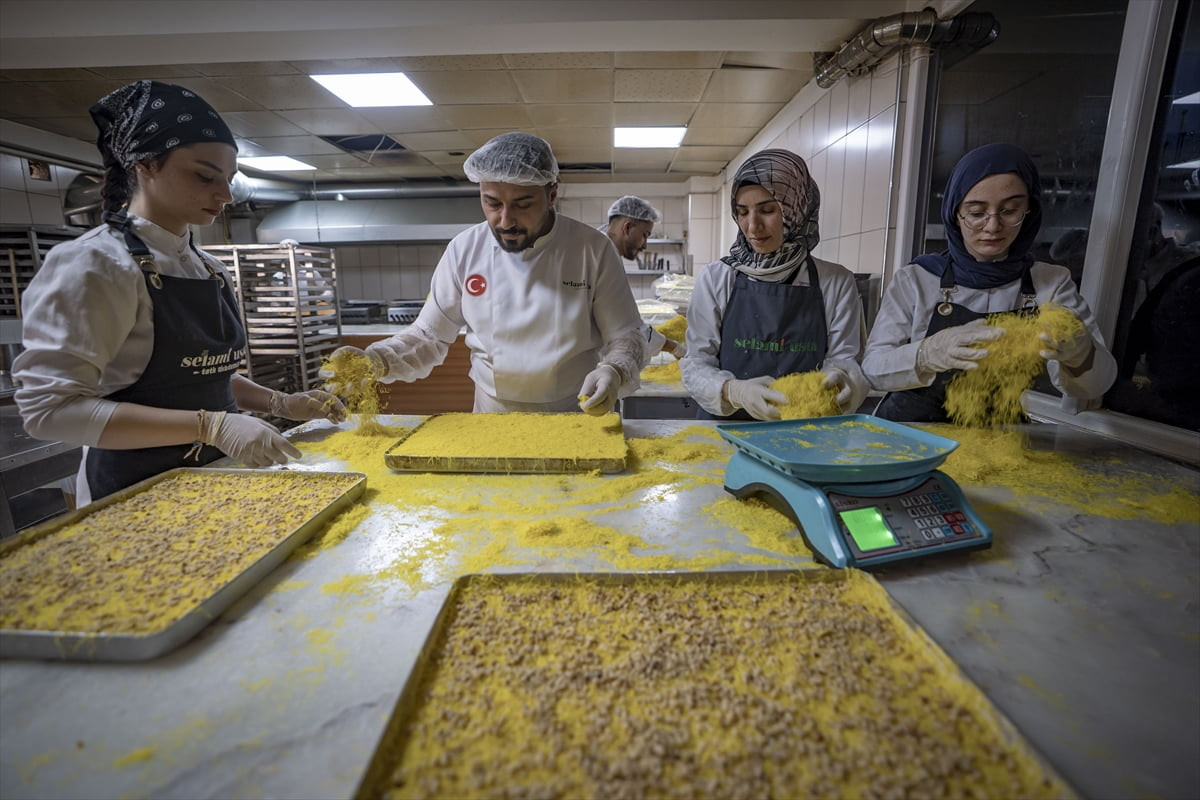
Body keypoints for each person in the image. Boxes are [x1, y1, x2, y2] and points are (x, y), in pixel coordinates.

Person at [12, 80, 345, 506]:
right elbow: (49, 413)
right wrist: (210, 426)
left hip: (217, 481)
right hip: (133, 494)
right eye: (205, 176)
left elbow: (202, 379)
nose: (225, 195)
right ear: (145, 165)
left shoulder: (208, 268)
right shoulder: (96, 265)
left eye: (229, 179)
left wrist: (281, 402)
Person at [327, 132, 645, 414]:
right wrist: (377, 359)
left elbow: (625, 335)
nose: (505, 220)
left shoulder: (593, 249)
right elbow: (428, 336)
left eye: (523, 204)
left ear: (551, 195)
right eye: (492, 203)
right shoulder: (464, 249)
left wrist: (615, 370)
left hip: (575, 410)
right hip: (493, 415)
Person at [862, 142, 1117, 422]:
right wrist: (926, 354)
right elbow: (873, 370)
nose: (993, 226)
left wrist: (1081, 355)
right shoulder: (916, 279)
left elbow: (1095, 386)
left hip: (997, 433)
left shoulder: (1050, 283)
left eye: (1010, 211)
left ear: (1029, 211)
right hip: (909, 430)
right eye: (976, 213)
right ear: (955, 214)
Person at [680, 148, 869, 420]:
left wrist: (842, 380)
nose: (752, 226)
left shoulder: (835, 282)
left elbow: (846, 361)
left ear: (797, 209)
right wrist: (733, 391)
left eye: (767, 210)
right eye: (742, 212)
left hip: (804, 428)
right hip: (724, 428)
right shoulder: (717, 277)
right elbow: (696, 364)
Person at [602, 195, 686, 361]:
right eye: (645, 235)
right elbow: (629, 326)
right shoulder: (603, 257)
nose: (645, 245)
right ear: (627, 228)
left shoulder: (601, 247)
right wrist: (675, 348)